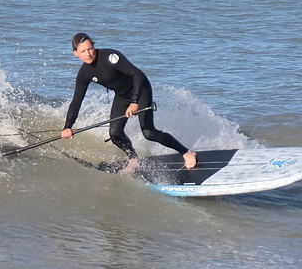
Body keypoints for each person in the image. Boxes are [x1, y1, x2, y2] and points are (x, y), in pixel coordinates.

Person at [60, 33, 198, 171]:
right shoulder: (84, 74)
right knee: (115, 134)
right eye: (83, 51)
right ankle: (133, 158)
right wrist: (68, 126)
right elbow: (76, 101)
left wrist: (135, 101)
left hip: (141, 90)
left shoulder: (110, 57)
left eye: (90, 49)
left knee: (149, 133)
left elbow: (138, 75)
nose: (88, 54)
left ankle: (186, 152)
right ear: (75, 53)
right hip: (122, 96)